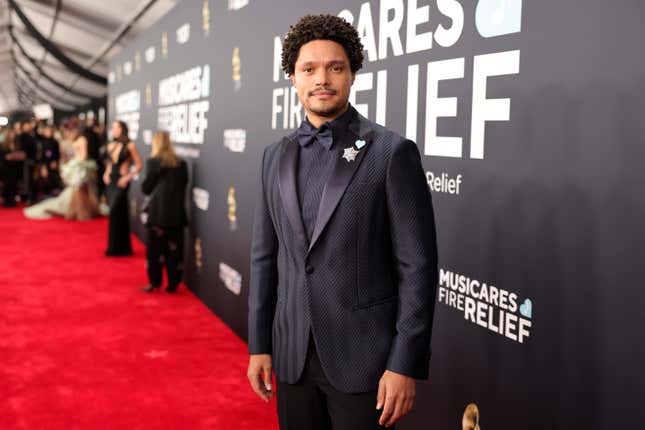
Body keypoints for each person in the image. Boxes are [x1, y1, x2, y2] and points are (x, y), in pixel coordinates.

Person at [247, 14, 439, 430]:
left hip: (364, 360)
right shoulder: (272, 157)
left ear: (352, 74)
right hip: (291, 354)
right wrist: (259, 344)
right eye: (309, 69)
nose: (322, 79)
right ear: (293, 79)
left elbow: (417, 268)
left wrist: (404, 362)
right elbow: (265, 259)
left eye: (335, 67)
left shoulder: (390, 152)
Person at [140, 131, 188, 293]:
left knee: (154, 251)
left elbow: (146, 188)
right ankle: (173, 283)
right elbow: (183, 187)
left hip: (157, 216)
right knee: (174, 251)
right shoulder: (181, 164)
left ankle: (155, 282)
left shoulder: (153, 162)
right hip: (176, 216)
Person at [23, 123, 102, 221]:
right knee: (78, 190)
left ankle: (81, 211)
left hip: (79, 167)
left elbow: (83, 155)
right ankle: (79, 211)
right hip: (76, 166)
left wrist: (76, 162)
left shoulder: (81, 140)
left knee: (80, 190)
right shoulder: (76, 140)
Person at [103, 120, 143, 256]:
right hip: (112, 181)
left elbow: (139, 165)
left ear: (122, 129)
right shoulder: (112, 145)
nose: (113, 130)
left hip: (122, 181)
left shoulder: (130, 145)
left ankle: (122, 248)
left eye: (115, 128)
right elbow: (109, 163)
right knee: (115, 213)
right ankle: (115, 248)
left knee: (117, 211)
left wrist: (127, 177)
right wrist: (106, 173)